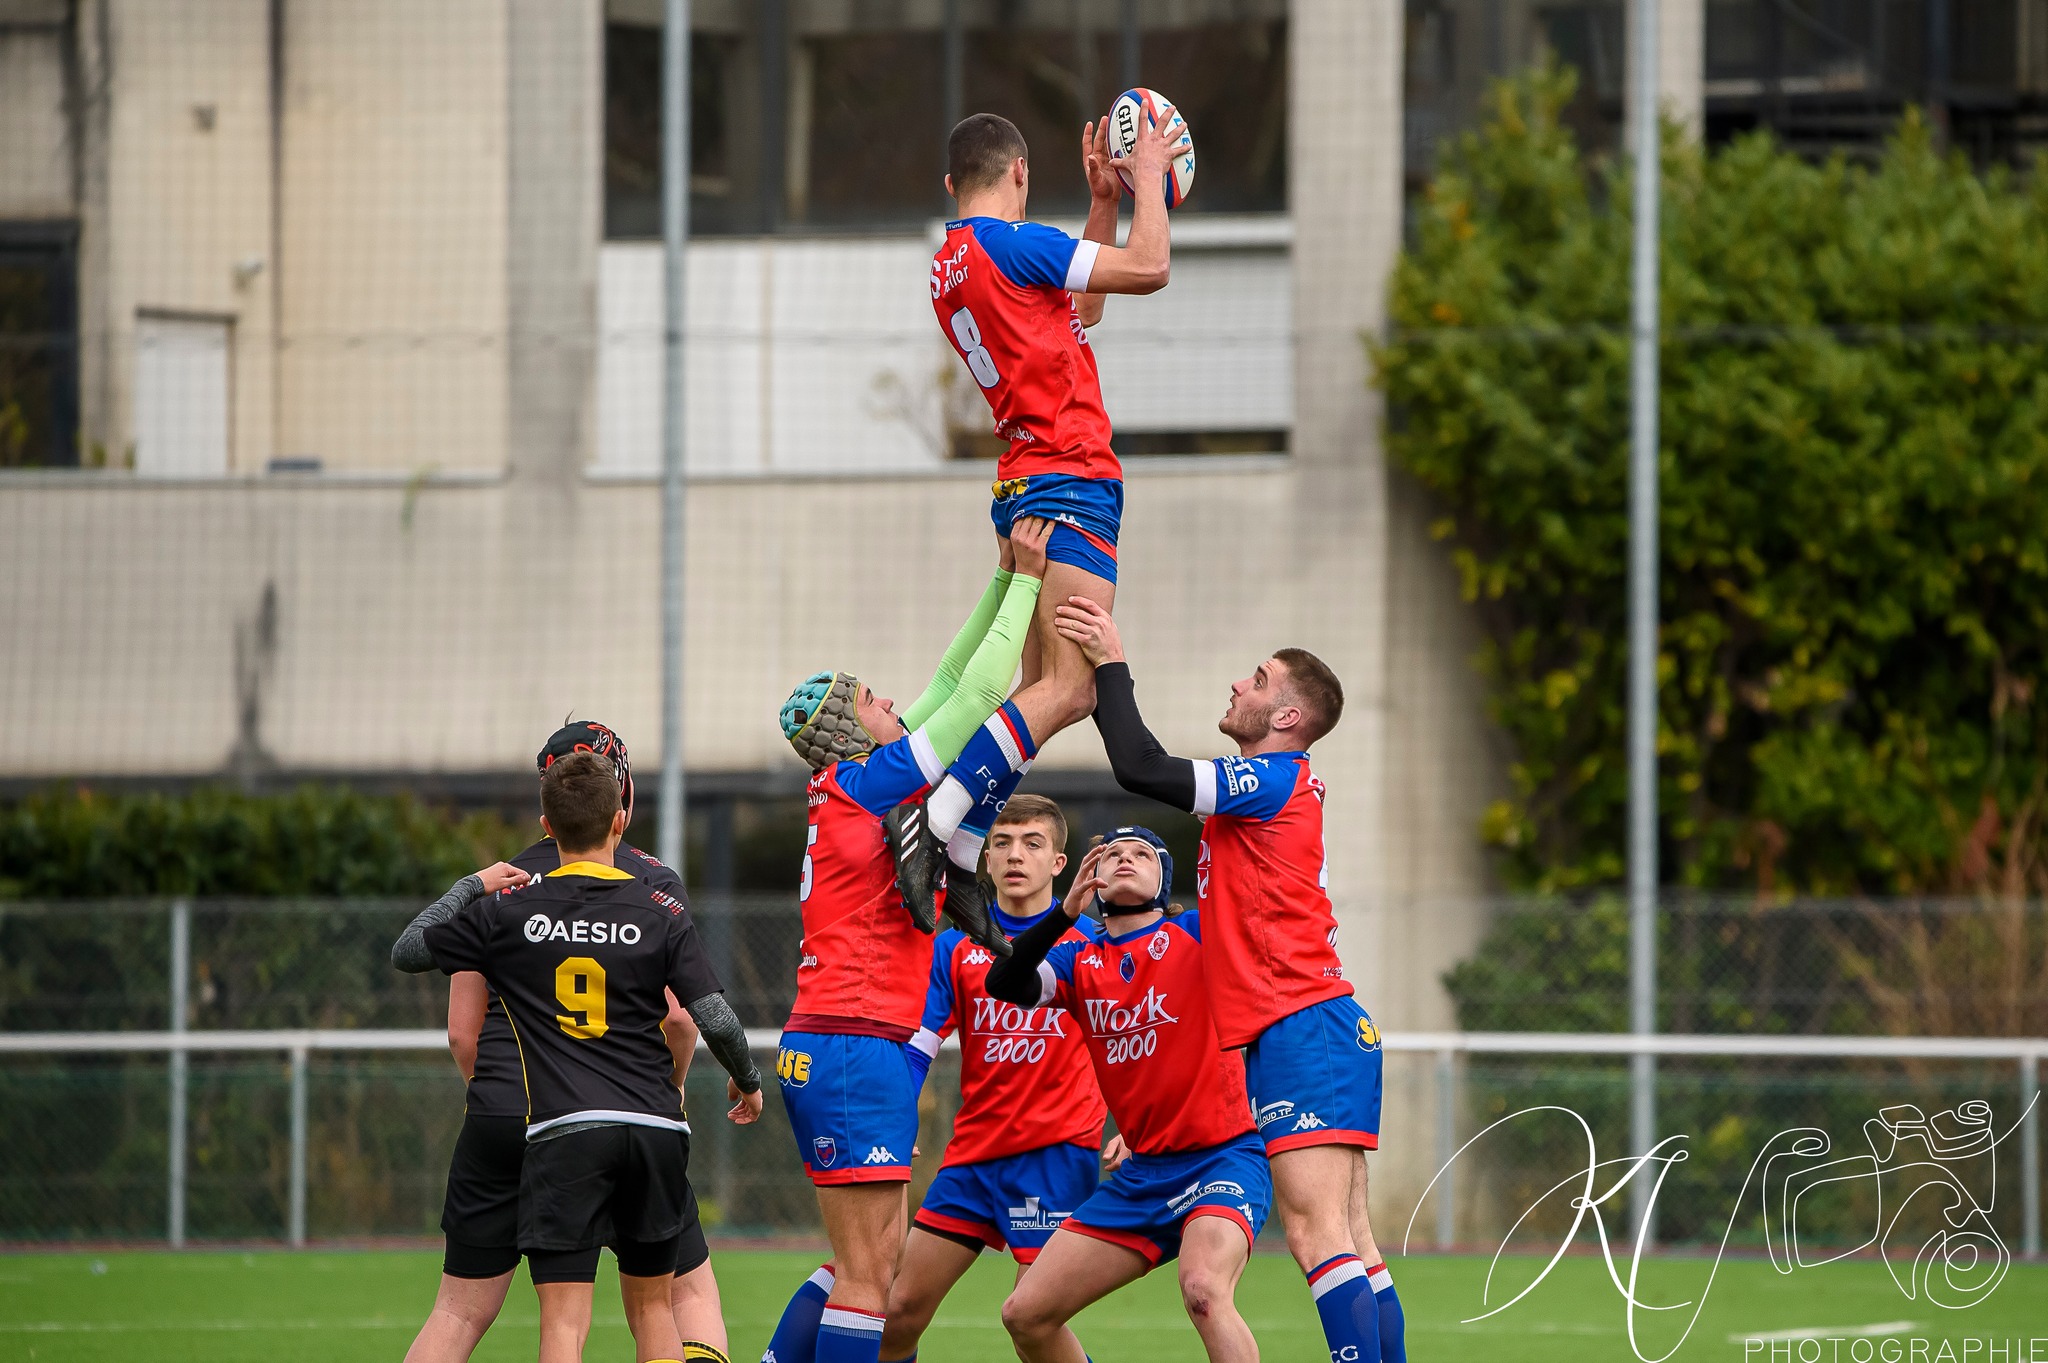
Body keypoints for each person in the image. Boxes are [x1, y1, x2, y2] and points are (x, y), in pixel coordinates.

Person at [1052, 598, 1405, 1363]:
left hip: (1302, 1025)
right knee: (1354, 1239)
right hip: (1323, 1025)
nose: (1237, 685)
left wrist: (1110, 658)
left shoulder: (1270, 779)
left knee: (1318, 1235)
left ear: (1285, 715)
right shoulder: (1277, 789)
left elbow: (1140, 765)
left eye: (1257, 678)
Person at [891, 107, 1186, 932]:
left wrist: (1102, 203)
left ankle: (959, 849)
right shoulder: (1014, 245)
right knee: (1075, 685)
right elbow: (1152, 265)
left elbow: (1078, 313)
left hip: (1026, 476)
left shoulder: (952, 261)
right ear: (1020, 174)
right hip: (1071, 476)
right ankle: (940, 820)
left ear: (953, 185)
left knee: (1041, 687)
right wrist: (1151, 175)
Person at [767, 520, 1050, 1363]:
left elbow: (951, 675)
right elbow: (974, 699)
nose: (891, 699)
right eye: (871, 698)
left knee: (869, 1268)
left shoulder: (855, 781)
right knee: (866, 1277)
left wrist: (1001, 580)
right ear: (854, 732)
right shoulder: (870, 780)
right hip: (852, 1042)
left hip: (855, 1043)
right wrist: (1033, 583)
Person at [392, 751, 765, 1363]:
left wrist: (471, 885)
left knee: (563, 1326)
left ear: (546, 822)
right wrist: (747, 1080)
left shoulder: (506, 911)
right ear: (620, 820)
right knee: (654, 1311)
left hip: (565, 1131)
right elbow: (706, 1017)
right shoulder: (659, 908)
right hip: (654, 1129)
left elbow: (409, 950)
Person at [984, 828, 1272, 1363]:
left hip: (1223, 1159)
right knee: (1024, 1315)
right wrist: (1063, 914)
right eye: (1112, 854)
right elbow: (1003, 982)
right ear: (1092, 877)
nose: (1124, 860)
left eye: (1141, 854)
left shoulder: (1198, 931)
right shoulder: (1078, 959)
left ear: (1164, 874)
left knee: (1204, 1292)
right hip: (1142, 1179)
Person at [880, 795, 1114, 1363]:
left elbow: (1130, 1047)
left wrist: (1133, 1125)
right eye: (1002, 844)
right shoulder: (954, 944)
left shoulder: (1091, 944)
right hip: (972, 1158)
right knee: (896, 1315)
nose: (1015, 856)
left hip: (1055, 1156)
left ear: (1060, 864)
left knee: (1031, 1320)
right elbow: (918, 1049)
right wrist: (895, 1116)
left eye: (1033, 844)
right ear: (984, 861)